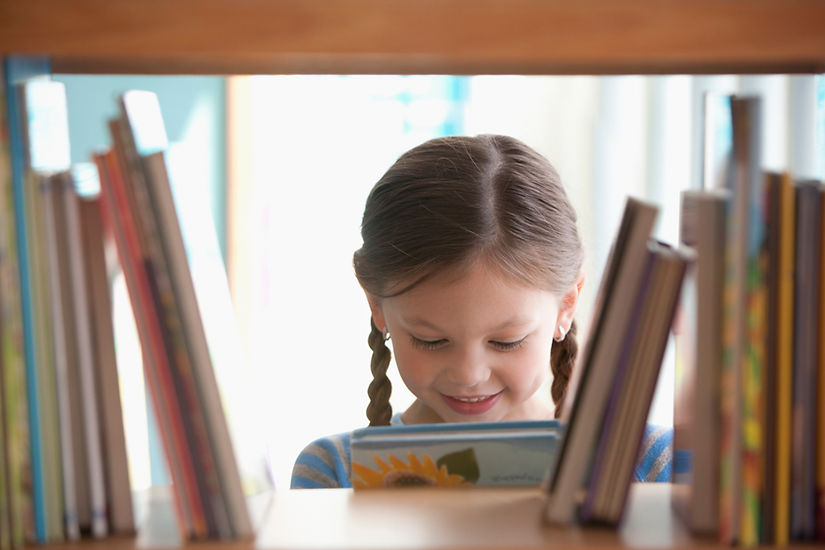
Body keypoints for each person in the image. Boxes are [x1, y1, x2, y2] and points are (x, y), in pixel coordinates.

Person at [290, 134, 672, 489]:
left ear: (566, 306)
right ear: (377, 305)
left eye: (507, 342)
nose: (470, 375)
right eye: (431, 340)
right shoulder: (334, 473)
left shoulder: (653, 466)